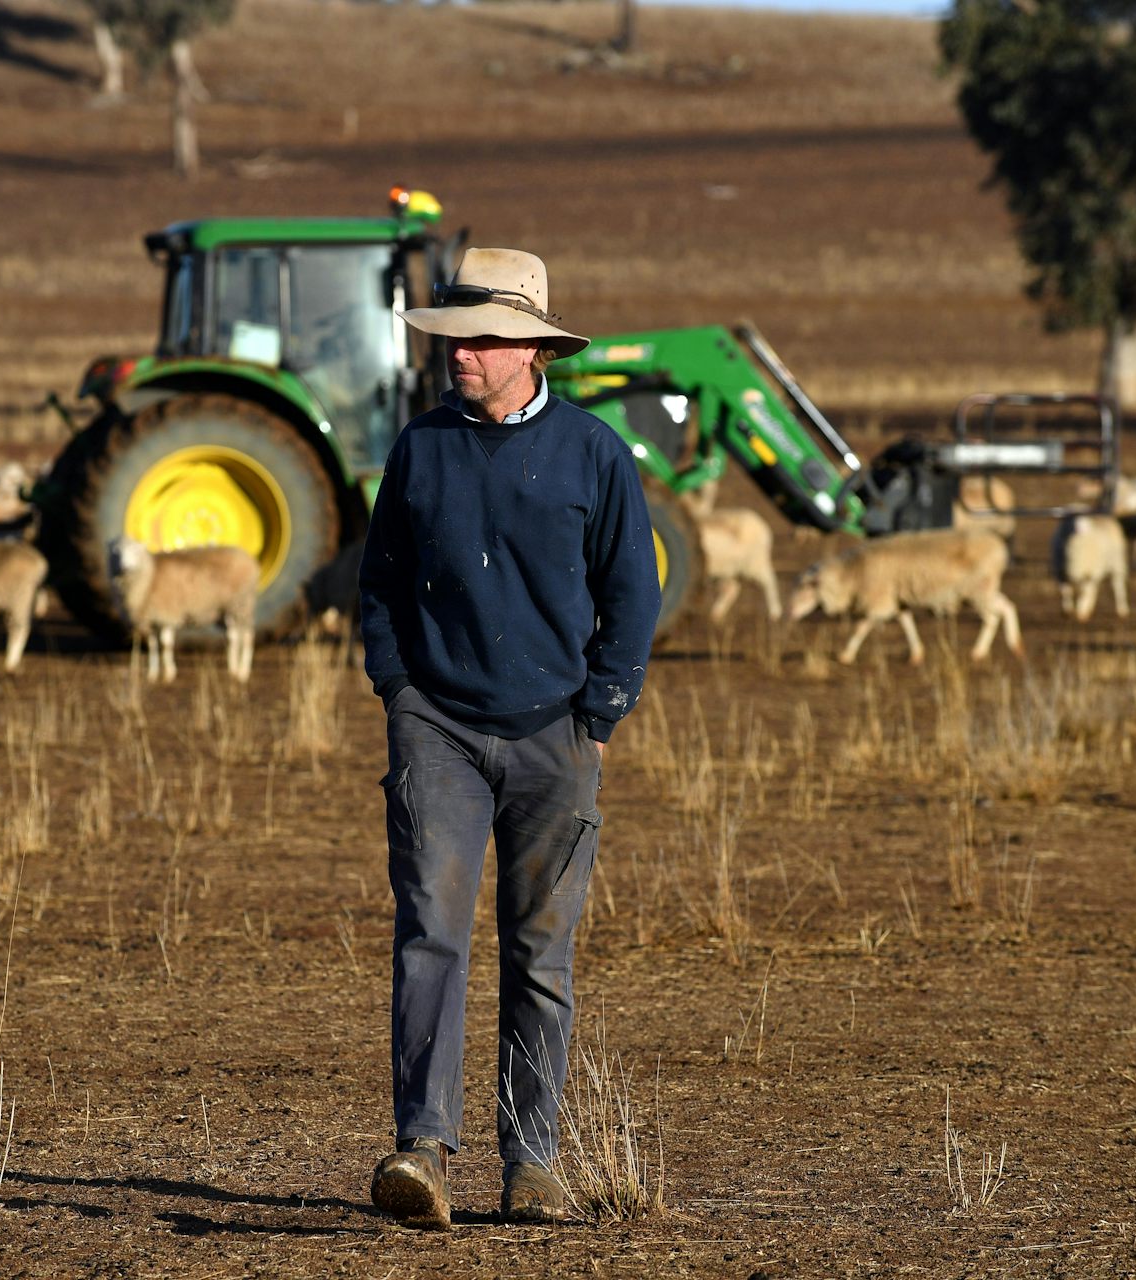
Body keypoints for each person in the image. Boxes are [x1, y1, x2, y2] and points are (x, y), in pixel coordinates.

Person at [357, 248, 661, 1229]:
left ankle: (532, 1164)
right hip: (436, 728)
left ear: (534, 349)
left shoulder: (596, 453)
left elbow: (632, 591)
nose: (462, 355)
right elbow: (380, 583)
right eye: (455, 338)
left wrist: (599, 715)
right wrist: (400, 692)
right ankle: (422, 1150)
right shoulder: (419, 447)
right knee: (430, 934)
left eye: (483, 339)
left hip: (555, 734)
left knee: (539, 953)